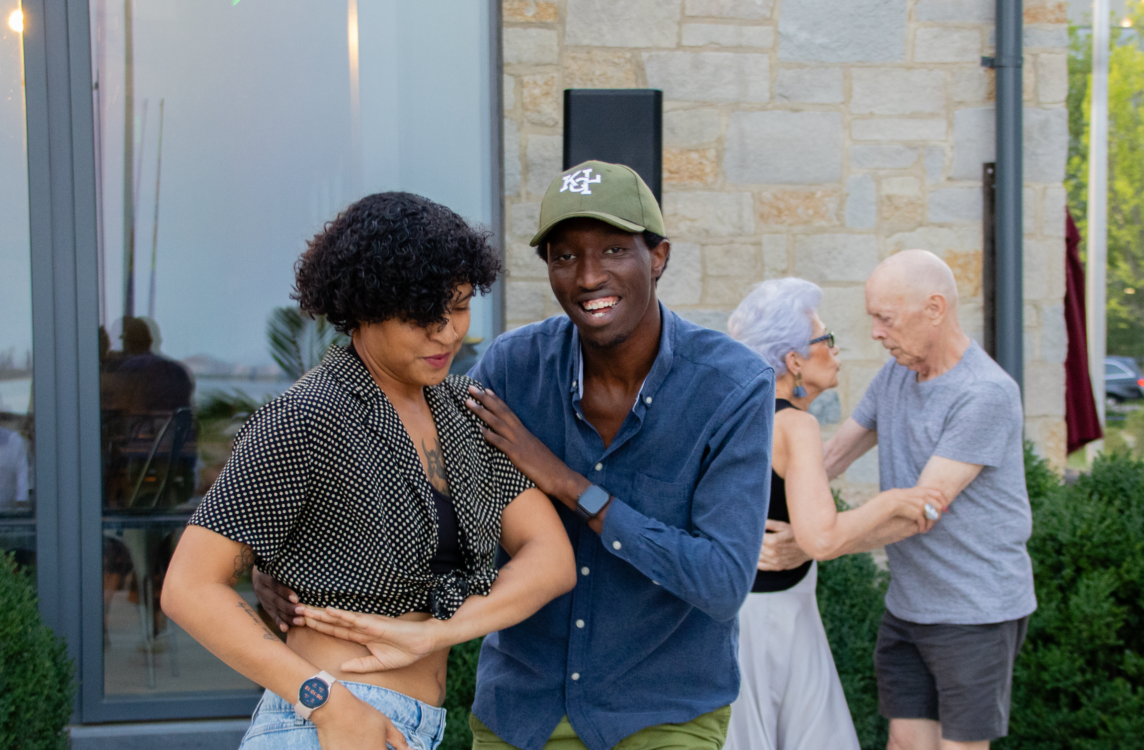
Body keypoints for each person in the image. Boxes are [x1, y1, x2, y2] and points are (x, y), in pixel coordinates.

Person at [256, 161, 776, 750]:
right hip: (519, 710)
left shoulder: (731, 387)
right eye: (564, 256)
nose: (587, 276)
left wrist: (566, 482)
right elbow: (408, 474)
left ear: (657, 257)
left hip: (660, 710)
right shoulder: (511, 368)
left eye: (612, 250)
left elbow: (722, 582)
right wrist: (278, 557)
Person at [162, 192, 576, 750]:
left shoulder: (462, 411)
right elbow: (189, 587)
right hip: (327, 725)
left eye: (457, 306)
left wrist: (442, 631)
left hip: (414, 727)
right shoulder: (309, 417)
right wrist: (326, 704)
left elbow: (551, 561)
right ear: (361, 306)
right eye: (420, 316)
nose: (447, 333)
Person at [824, 250, 1037, 750]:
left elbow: (921, 510)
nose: (875, 332)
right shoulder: (897, 373)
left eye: (885, 318)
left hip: (974, 609)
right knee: (905, 742)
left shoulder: (984, 393)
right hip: (909, 605)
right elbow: (833, 455)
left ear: (934, 309)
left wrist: (817, 541)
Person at [724, 277, 948, 750]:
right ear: (794, 361)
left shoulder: (742, 416)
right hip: (772, 621)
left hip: (747, 612)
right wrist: (892, 501)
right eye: (826, 338)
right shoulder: (795, 425)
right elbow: (823, 538)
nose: (837, 348)